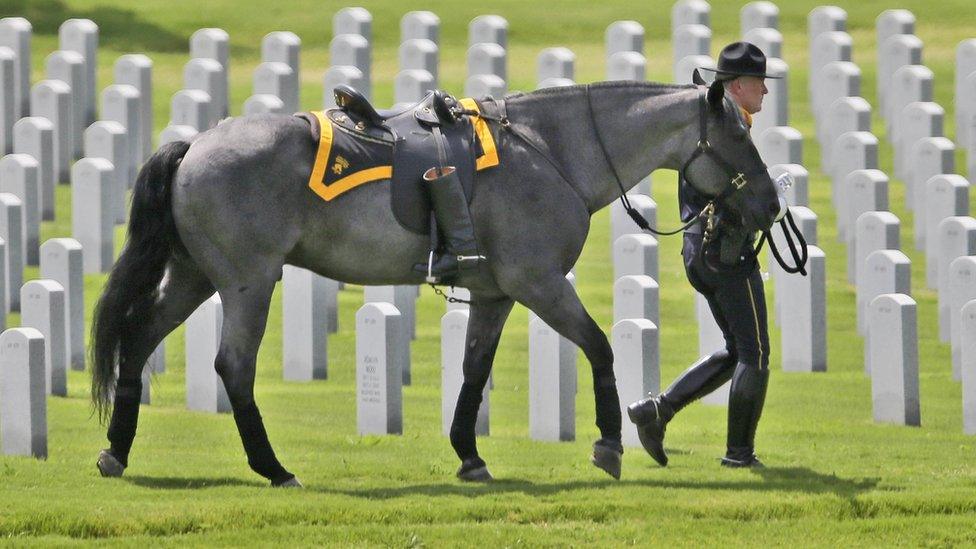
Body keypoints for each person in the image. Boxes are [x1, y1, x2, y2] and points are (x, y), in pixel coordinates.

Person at [627, 42, 781, 468]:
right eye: (758, 82)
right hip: (726, 251)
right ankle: (739, 455)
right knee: (756, 354)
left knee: (736, 349)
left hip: (700, 250)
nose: (765, 91)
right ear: (735, 85)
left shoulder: (718, 119)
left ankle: (657, 411)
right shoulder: (723, 126)